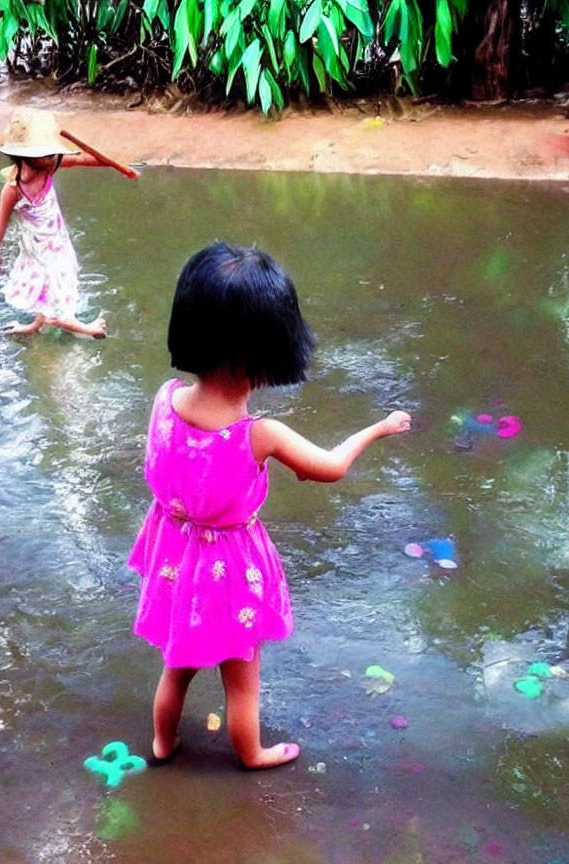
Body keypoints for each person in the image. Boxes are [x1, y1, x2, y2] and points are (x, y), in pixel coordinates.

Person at [128, 242, 411, 769]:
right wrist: (378, 428)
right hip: (229, 569)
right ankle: (251, 754)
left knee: (177, 666)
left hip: (175, 558)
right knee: (242, 680)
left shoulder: (164, 400)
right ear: (267, 354)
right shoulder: (259, 435)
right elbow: (329, 468)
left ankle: (163, 744)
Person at [0, 110, 120, 337]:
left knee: (48, 286)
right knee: (53, 285)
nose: (52, 159)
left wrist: (110, 163)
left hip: (57, 239)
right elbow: (1, 220)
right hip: (38, 247)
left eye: (52, 154)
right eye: (46, 155)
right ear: (25, 157)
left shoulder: (51, 165)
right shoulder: (13, 189)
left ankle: (32, 327)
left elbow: (80, 159)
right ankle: (81, 327)